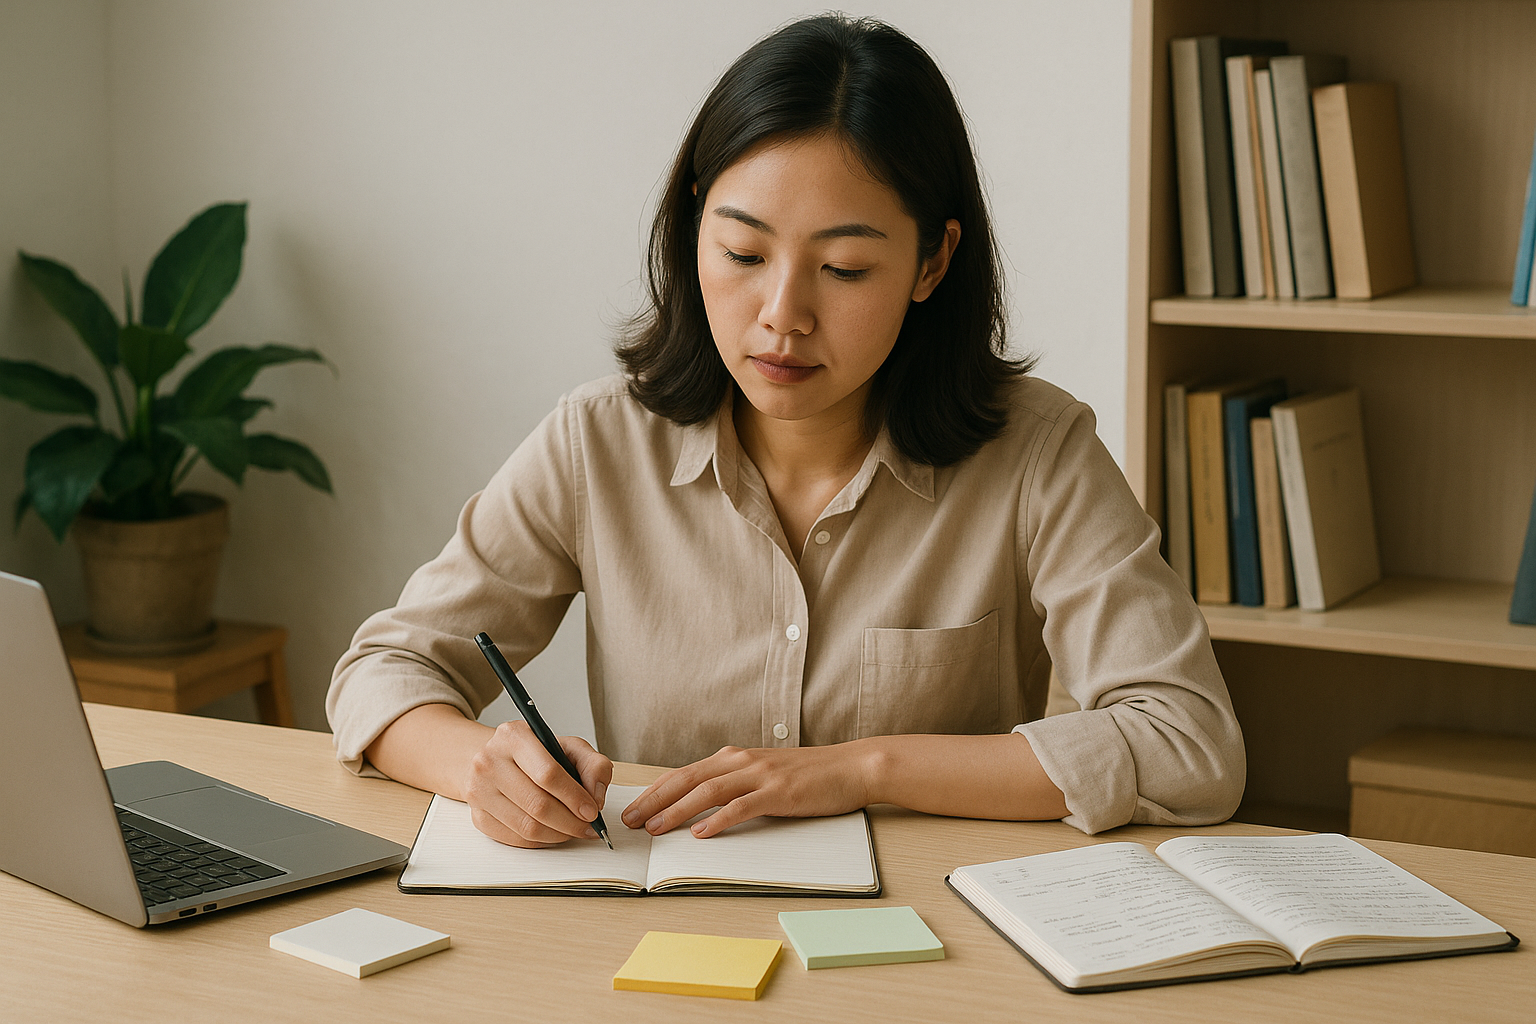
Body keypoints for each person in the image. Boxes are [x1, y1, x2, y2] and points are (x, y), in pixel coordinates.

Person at [327, 14, 1244, 849]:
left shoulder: (1037, 453)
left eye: (844, 268)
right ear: (694, 227)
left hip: (929, 943)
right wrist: (482, 769)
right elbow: (385, 670)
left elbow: (1189, 742)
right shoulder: (599, 445)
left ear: (932, 261)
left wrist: (860, 769)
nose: (781, 316)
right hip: (662, 939)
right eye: (742, 253)